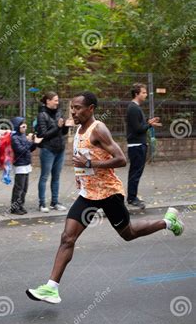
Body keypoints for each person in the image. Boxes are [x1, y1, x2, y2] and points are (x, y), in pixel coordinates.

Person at [26, 91, 184, 304]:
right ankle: (51, 288)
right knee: (67, 237)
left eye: (78, 108)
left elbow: (121, 159)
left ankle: (167, 222)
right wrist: (81, 178)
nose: (74, 111)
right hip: (89, 194)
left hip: (108, 193)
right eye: (72, 107)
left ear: (90, 108)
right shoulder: (79, 129)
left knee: (128, 234)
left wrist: (89, 165)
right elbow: (84, 159)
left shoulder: (98, 129)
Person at [126, 83, 161, 209]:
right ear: (137, 94)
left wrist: (149, 122)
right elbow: (138, 129)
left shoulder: (135, 107)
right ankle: (132, 198)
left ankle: (132, 196)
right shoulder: (133, 108)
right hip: (136, 145)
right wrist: (150, 125)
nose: (146, 94)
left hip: (138, 144)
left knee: (135, 172)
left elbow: (139, 126)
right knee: (135, 173)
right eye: (144, 92)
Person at [35, 91, 69, 213]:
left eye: (57, 100)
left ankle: (55, 202)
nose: (57, 102)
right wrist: (58, 127)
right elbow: (43, 135)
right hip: (48, 149)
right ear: (48, 101)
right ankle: (42, 203)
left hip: (60, 149)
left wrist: (65, 126)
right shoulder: (42, 115)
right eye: (55, 100)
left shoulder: (59, 112)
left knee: (56, 176)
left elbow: (63, 133)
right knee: (44, 176)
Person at [10, 117, 42, 215]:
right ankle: (14, 207)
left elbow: (29, 149)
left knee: (24, 188)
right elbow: (21, 150)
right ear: (17, 126)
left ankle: (20, 205)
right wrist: (30, 142)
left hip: (26, 164)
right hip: (20, 165)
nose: (24, 126)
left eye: (25, 123)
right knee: (19, 188)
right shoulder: (14, 137)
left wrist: (35, 143)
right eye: (22, 124)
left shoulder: (23, 135)